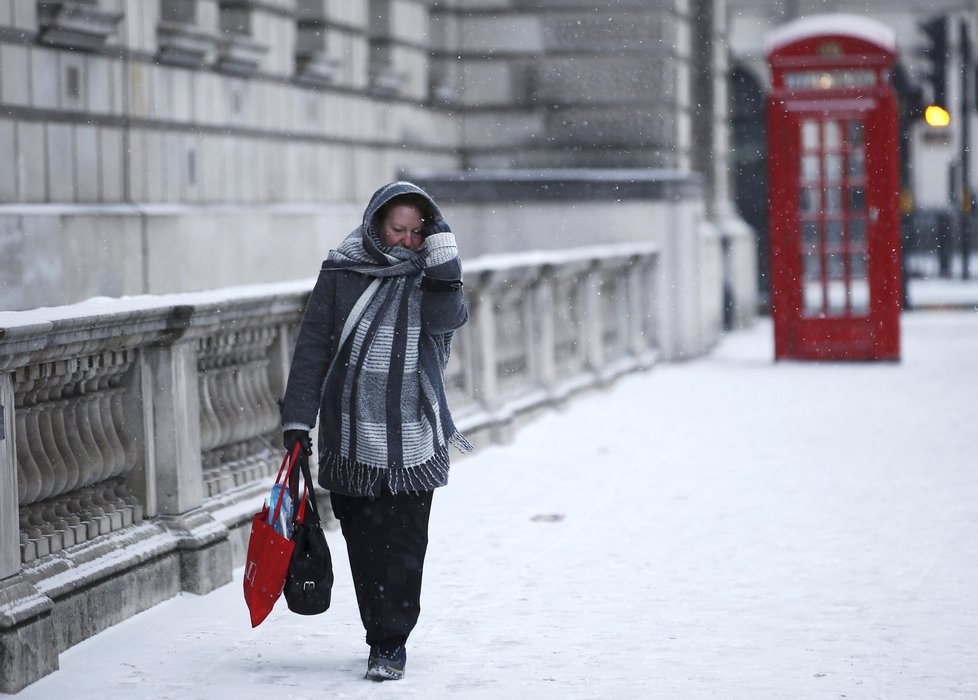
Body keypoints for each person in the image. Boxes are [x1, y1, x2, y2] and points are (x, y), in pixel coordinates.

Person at [280, 181, 472, 681]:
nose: (407, 241)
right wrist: (299, 421)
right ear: (376, 225)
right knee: (364, 544)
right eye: (398, 230)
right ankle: (376, 630)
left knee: (406, 544)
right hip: (350, 437)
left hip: (414, 436)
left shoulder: (431, 273)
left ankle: (392, 642)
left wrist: (444, 265)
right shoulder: (342, 270)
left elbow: (447, 320)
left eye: (416, 231)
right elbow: (313, 348)